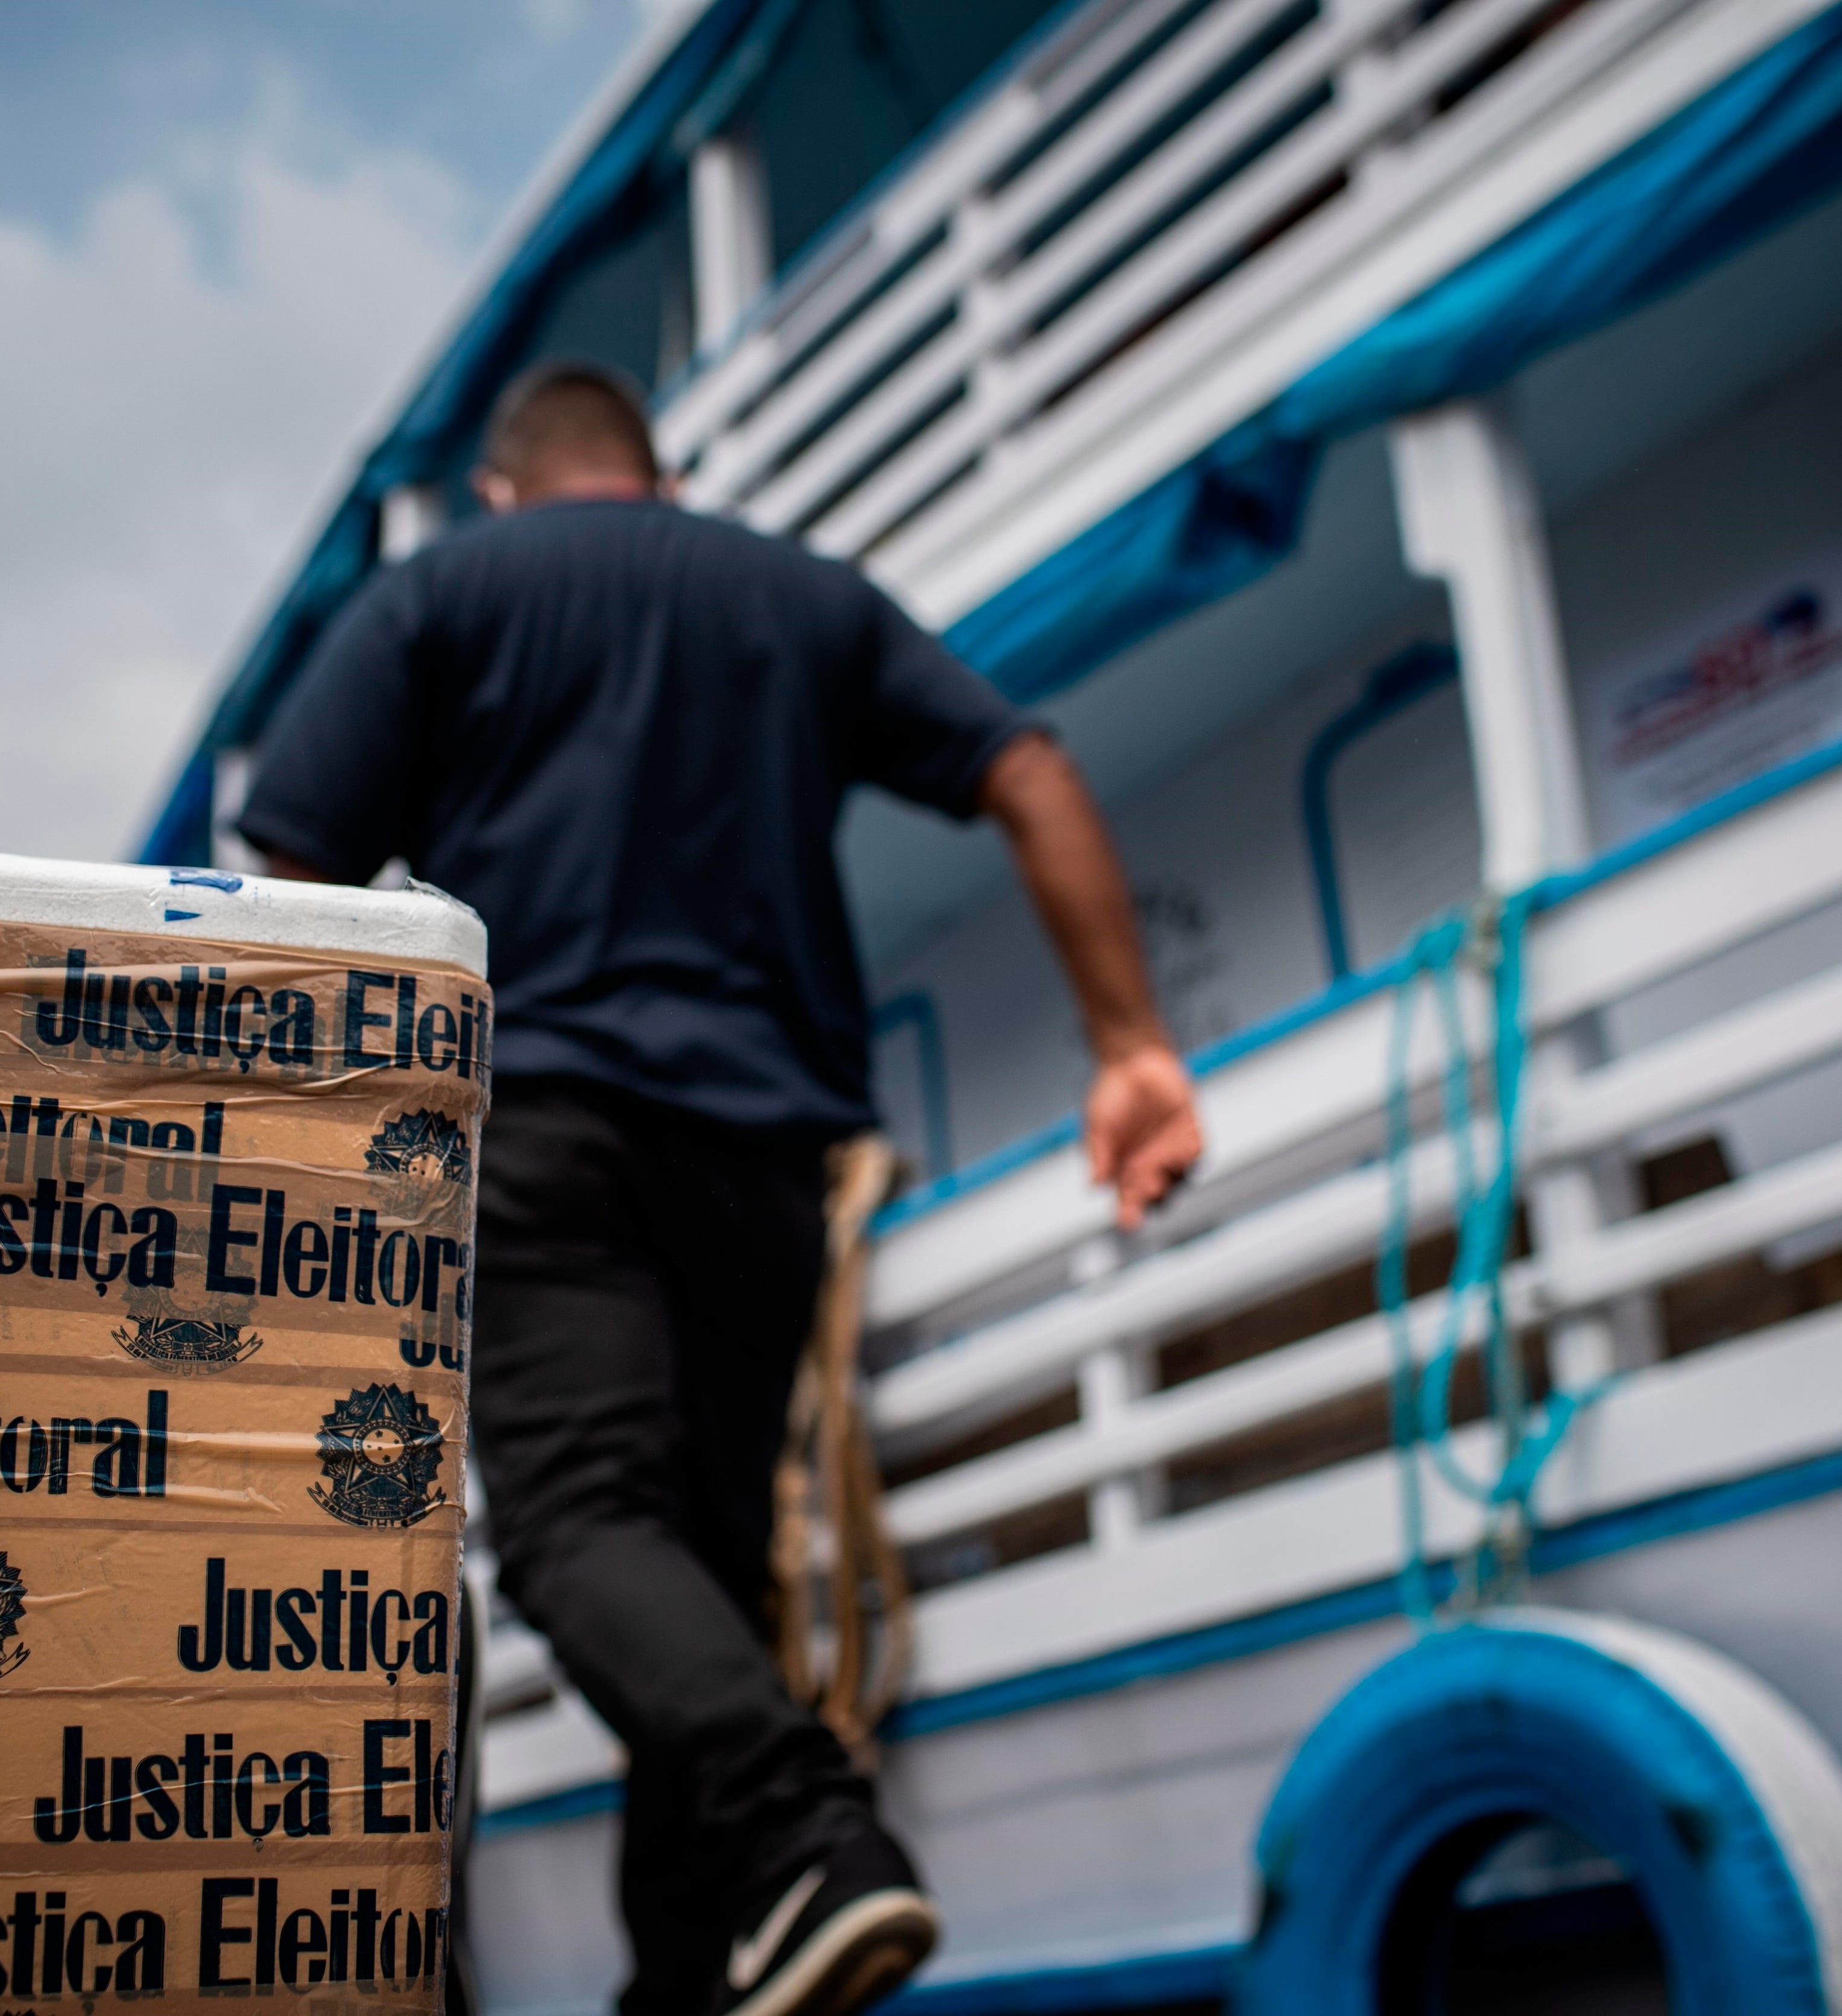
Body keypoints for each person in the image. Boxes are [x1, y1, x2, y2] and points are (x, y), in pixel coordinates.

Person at [237, 360, 1203, 2016]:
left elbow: (292, 895)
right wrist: (1127, 1044)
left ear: (502, 488)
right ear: (661, 479)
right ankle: (688, 1988)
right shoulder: (797, 599)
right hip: (768, 1160)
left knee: (581, 1530)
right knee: (703, 1567)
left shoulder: (442, 595)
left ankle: (812, 1839)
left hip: (541, 1129)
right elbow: (1028, 774)